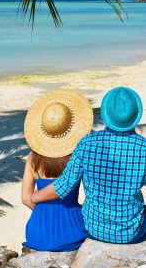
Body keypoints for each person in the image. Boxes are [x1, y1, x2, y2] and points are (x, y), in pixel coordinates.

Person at [31, 87, 146, 256]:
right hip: (130, 233)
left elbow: (64, 185)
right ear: (135, 116)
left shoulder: (87, 143)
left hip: (92, 228)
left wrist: (35, 197)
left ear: (106, 115)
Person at [21, 88, 93, 252]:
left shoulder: (33, 158)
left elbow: (26, 199)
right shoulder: (77, 156)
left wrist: (44, 212)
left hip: (37, 233)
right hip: (71, 231)